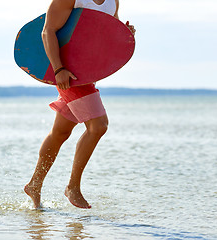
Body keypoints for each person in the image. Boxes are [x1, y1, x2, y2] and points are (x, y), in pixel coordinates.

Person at [24, 0, 136, 209]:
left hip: (86, 74)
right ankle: (72, 187)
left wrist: (125, 33)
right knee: (98, 126)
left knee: (60, 132)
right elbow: (47, 31)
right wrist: (58, 70)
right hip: (67, 74)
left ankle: (34, 184)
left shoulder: (113, 1)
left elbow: (106, 32)